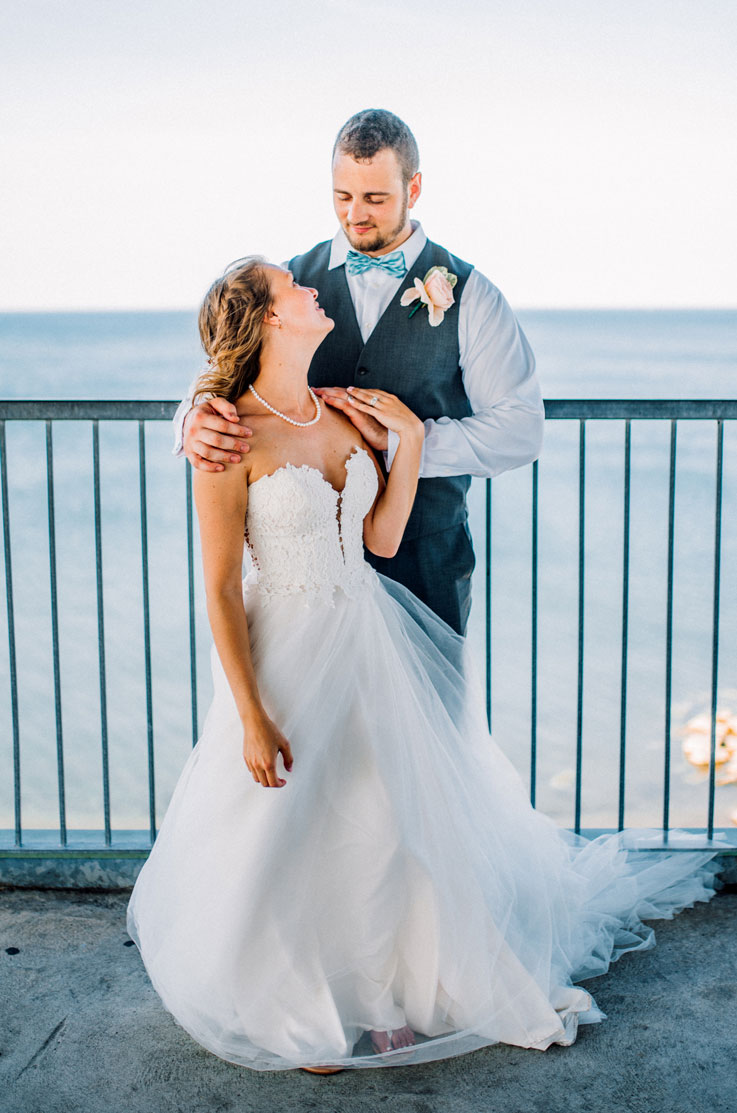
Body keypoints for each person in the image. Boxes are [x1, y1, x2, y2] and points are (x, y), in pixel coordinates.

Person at [126, 255, 726, 1075]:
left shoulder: (339, 413)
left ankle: (380, 994)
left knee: (378, 822)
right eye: (293, 290)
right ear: (268, 319)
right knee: (290, 827)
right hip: (287, 652)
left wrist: (405, 438)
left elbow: (377, 539)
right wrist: (252, 715)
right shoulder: (230, 432)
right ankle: (303, 1003)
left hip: (369, 638)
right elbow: (222, 590)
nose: (309, 291)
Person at [172, 108, 545, 636]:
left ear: (413, 189)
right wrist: (191, 420)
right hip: (309, 587)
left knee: (433, 719)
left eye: (375, 199)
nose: (355, 216)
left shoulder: (473, 295)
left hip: (427, 562)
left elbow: (522, 428)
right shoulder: (289, 285)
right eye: (342, 197)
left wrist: (401, 444)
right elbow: (225, 365)